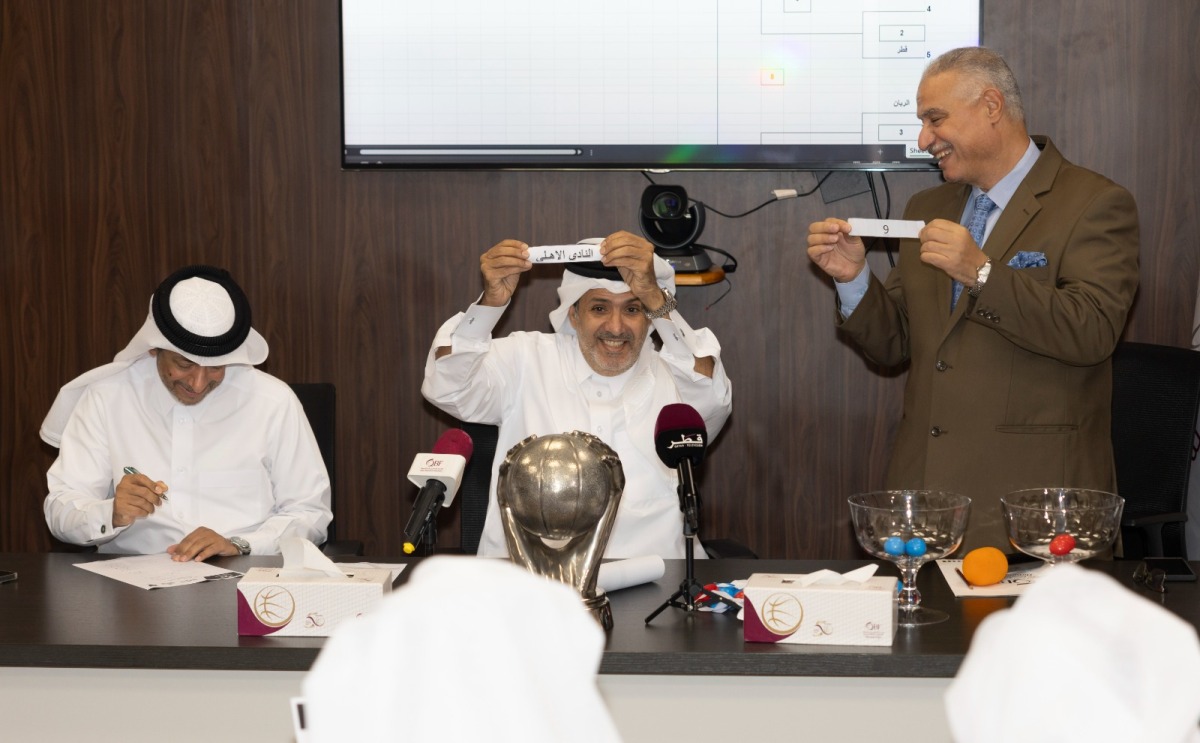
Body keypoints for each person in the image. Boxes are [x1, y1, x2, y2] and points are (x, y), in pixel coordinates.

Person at [806, 47, 1139, 551]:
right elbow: (896, 342)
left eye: (935, 120)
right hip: (926, 511)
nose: (923, 140)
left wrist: (981, 272)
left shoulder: (1094, 204)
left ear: (990, 106)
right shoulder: (928, 206)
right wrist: (852, 278)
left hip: (1036, 515)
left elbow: (1091, 332)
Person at [422, 230, 732, 559]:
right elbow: (447, 388)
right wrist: (490, 305)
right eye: (599, 309)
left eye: (632, 310)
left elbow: (713, 400)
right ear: (574, 314)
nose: (616, 327)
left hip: (657, 580)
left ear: (651, 318)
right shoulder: (526, 358)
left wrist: (655, 297)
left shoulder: (678, 371)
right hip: (532, 585)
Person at [42, 265, 333, 560]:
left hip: (241, 579)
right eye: (184, 364)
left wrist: (240, 544)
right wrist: (110, 512)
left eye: (216, 367)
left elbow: (310, 513)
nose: (198, 383)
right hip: (129, 592)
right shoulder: (106, 398)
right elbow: (60, 510)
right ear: (154, 348)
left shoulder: (273, 401)